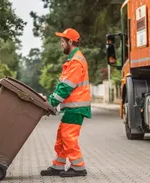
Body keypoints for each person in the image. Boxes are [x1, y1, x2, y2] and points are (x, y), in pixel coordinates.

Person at [40, 28, 91, 177]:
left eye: (63, 41)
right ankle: (58, 165)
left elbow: (66, 86)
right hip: (73, 107)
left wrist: (52, 102)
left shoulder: (76, 61)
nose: (61, 44)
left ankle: (78, 167)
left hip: (76, 107)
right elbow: (63, 85)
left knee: (68, 135)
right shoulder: (73, 60)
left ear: (70, 42)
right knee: (62, 135)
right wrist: (51, 100)